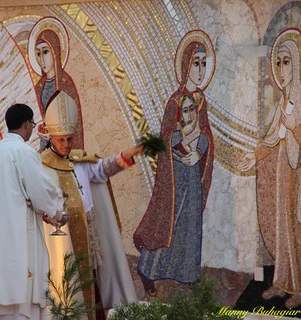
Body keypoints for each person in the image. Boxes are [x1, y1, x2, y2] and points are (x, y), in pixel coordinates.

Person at [238, 29, 301, 308]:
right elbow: (272, 139)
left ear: (296, 65)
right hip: (281, 176)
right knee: (282, 229)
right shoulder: (282, 102)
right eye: (278, 62)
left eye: (286, 62)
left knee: (295, 230)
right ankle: (282, 281)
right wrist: (254, 156)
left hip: (298, 180)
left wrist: (295, 128)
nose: (281, 68)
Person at [40, 90, 140, 319]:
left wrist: (127, 156)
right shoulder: (43, 166)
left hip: (89, 232)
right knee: (71, 287)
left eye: (69, 139)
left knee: (95, 285)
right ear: (50, 137)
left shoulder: (79, 160)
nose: (66, 144)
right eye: (60, 139)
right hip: (65, 237)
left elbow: (102, 170)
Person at [133, 35, 214, 296]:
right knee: (166, 223)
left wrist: (199, 152)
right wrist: (184, 151)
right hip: (175, 175)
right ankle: (146, 271)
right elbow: (166, 135)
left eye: (203, 63)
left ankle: (185, 273)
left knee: (188, 224)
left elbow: (207, 136)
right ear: (186, 66)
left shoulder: (201, 101)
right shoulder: (175, 101)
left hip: (193, 174)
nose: (200, 70)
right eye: (196, 63)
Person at [0, 104, 65, 320]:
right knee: (19, 298)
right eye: (32, 124)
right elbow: (41, 192)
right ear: (27, 124)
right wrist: (58, 212)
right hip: (18, 238)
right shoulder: (23, 152)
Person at [30, 18, 84, 149]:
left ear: (55, 51)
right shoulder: (38, 87)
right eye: (38, 53)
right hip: (45, 145)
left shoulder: (66, 83)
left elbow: (75, 125)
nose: (41, 59)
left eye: (45, 51)